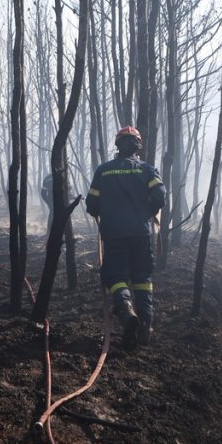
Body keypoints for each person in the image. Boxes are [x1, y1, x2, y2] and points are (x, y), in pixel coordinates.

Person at [86, 127, 165, 349]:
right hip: (140, 233)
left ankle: (125, 310)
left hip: (114, 233)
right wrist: (147, 211)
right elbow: (160, 196)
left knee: (114, 275)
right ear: (138, 146)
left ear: (117, 146)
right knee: (142, 279)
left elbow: (91, 203)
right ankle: (146, 326)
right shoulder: (148, 170)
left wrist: (103, 212)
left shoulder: (103, 171)